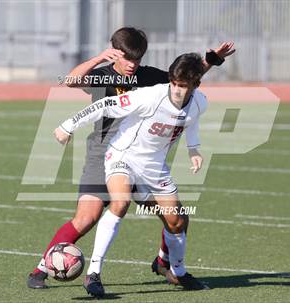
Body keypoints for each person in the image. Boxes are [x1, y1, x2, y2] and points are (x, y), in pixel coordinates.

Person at [26, 27, 235, 290]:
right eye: (126, 59)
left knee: (177, 217)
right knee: (86, 218)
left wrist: (209, 61)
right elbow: (69, 81)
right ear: (114, 53)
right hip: (102, 153)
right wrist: (98, 59)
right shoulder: (102, 76)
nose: (132, 65)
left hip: (143, 157)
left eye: (137, 59)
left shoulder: (147, 77)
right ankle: (41, 268)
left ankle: (164, 262)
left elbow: (184, 80)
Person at [55, 53, 209, 295]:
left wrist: (193, 149)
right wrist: (67, 126)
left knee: (177, 220)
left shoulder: (200, 101)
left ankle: (178, 272)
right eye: (175, 84)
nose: (178, 91)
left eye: (184, 86)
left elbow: (190, 121)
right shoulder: (149, 96)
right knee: (121, 201)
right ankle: (93, 274)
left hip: (154, 167)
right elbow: (104, 105)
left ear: (195, 85)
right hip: (122, 156)